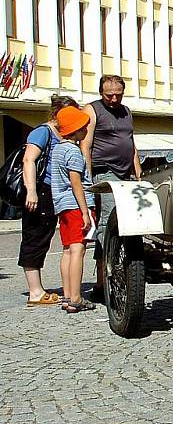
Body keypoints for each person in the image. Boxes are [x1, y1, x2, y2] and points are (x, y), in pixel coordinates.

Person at [80, 75, 142, 301]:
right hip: (104, 171)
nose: (114, 98)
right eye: (109, 95)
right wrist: (88, 179)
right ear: (101, 93)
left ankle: (102, 281)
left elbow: (131, 142)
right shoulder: (92, 110)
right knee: (109, 220)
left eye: (118, 94)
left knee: (125, 218)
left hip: (125, 172)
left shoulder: (126, 111)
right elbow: (85, 145)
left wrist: (137, 170)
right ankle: (111, 268)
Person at [18, 96, 79, 306]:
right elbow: (29, 160)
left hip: (56, 192)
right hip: (42, 192)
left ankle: (40, 289)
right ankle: (35, 292)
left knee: (48, 238)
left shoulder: (63, 134)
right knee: (35, 237)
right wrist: (31, 191)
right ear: (57, 114)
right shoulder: (43, 131)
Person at [51, 106, 97, 313]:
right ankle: (76, 298)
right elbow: (76, 182)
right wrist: (85, 211)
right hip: (76, 205)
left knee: (68, 249)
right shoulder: (74, 151)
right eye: (84, 126)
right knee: (79, 249)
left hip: (62, 204)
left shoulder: (58, 149)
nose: (87, 129)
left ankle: (68, 296)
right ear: (76, 129)